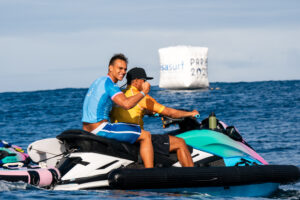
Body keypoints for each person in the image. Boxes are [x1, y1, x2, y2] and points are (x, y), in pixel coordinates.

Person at [111, 67, 198, 167]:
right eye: (144, 80)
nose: (146, 83)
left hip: (121, 137)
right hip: (137, 139)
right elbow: (170, 113)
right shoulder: (140, 96)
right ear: (135, 81)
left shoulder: (119, 95)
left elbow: (130, 111)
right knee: (180, 142)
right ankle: (191, 175)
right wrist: (191, 113)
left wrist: (148, 112)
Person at [82, 54, 154, 168]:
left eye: (125, 69)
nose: (123, 72)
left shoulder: (99, 81)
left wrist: (146, 111)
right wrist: (143, 92)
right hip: (100, 129)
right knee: (145, 135)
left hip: (87, 129)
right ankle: (151, 172)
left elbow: (110, 103)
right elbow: (126, 104)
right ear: (110, 68)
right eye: (120, 68)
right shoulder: (110, 85)